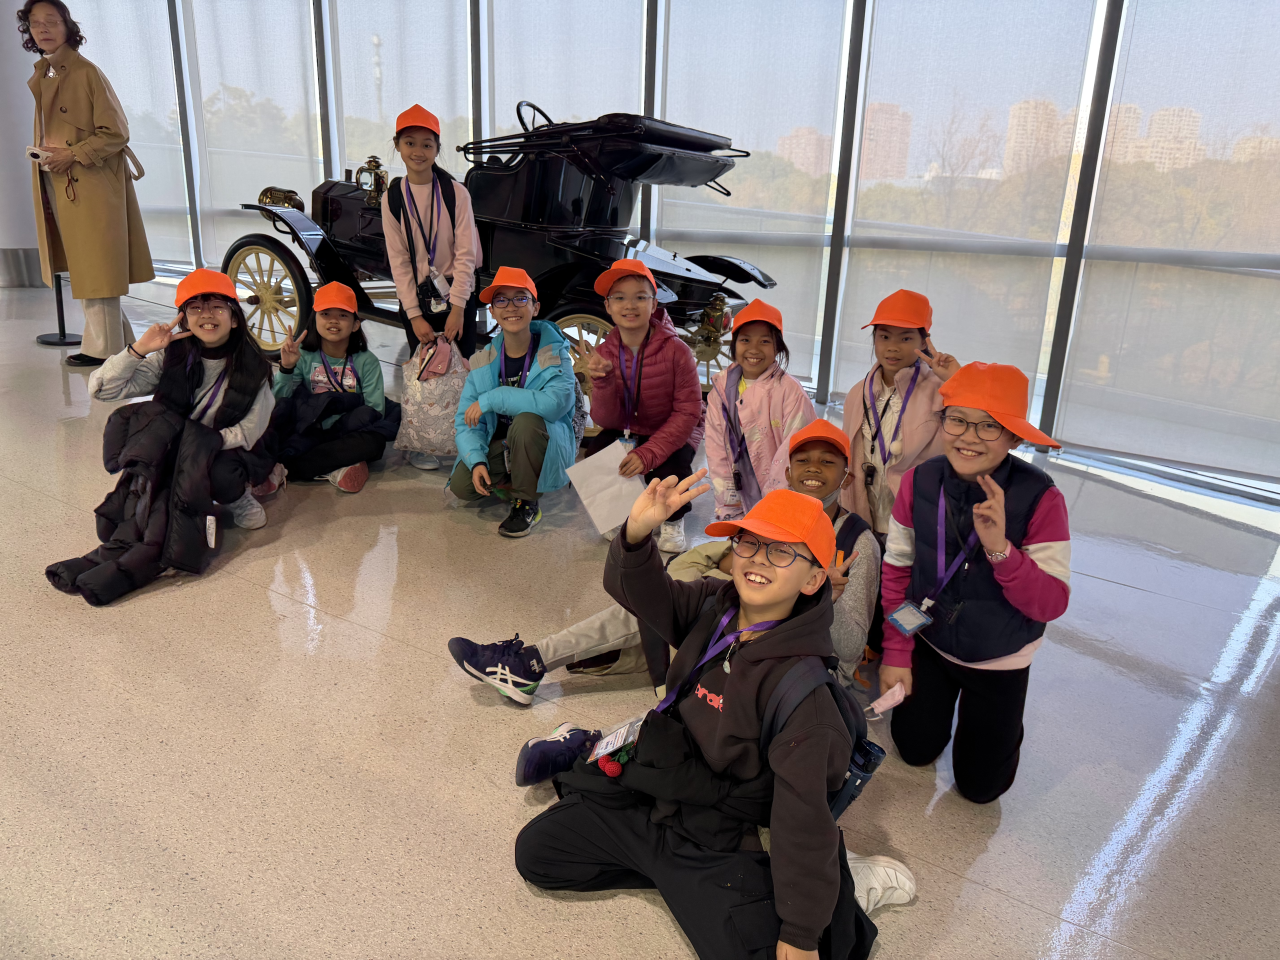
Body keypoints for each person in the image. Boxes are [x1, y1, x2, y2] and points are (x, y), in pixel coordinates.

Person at [512, 481, 889, 960]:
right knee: (540, 855)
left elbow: (802, 821)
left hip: (721, 835)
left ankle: (850, 884)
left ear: (814, 580)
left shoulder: (805, 699)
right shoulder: (716, 606)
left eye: (780, 552)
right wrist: (636, 536)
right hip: (661, 792)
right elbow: (644, 595)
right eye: (749, 542)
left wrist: (800, 931)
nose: (757, 559)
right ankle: (674, 878)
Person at [448, 418, 882, 703]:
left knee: (662, 612)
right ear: (787, 472)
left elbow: (847, 650)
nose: (813, 469)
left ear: (846, 477)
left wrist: (826, 598)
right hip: (739, 637)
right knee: (665, 603)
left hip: (796, 673)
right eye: (803, 460)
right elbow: (725, 568)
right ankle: (536, 660)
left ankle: (537, 661)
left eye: (827, 462)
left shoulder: (857, 542)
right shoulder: (772, 519)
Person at [878, 361, 1070, 804]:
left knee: (981, 788)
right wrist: (897, 651)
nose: (969, 436)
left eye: (989, 426)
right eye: (958, 420)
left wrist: (1001, 549)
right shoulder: (919, 481)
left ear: (1014, 437)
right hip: (930, 640)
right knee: (913, 749)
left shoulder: (1041, 498)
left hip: (1000, 656)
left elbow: (1051, 603)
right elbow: (897, 569)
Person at [87, 268, 275, 526]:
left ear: (234, 319)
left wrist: (197, 444)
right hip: (175, 440)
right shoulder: (171, 356)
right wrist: (138, 350)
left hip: (224, 447)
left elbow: (248, 431)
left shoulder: (255, 368)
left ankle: (239, 497)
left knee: (221, 475)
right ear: (184, 321)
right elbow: (102, 389)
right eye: (195, 308)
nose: (207, 314)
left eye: (217, 307)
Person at [22, 0, 154, 367]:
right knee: (90, 267)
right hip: (66, 181)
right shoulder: (48, 72)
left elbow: (116, 132)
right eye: (35, 23)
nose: (42, 29)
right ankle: (122, 343)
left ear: (68, 26)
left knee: (97, 268)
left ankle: (102, 350)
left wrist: (72, 154)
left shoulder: (85, 72)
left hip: (90, 182)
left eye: (51, 21)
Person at [580, 258, 704, 553]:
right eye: (619, 298)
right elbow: (604, 420)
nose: (630, 305)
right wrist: (603, 382)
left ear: (654, 304)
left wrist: (648, 453)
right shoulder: (605, 352)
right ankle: (618, 512)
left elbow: (688, 412)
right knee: (597, 454)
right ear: (608, 306)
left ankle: (673, 519)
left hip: (672, 429)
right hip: (628, 428)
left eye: (640, 297)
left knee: (671, 465)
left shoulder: (677, 351)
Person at [381, 103, 481, 470]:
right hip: (419, 298)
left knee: (461, 371)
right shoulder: (393, 198)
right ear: (397, 145)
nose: (418, 151)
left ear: (437, 148)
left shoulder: (455, 193)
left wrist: (458, 307)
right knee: (423, 371)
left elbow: (467, 254)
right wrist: (413, 315)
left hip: (458, 293)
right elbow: (399, 261)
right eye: (410, 143)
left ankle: (462, 440)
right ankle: (424, 441)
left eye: (427, 144)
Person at [449, 266, 576, 538]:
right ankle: (515, 473)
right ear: (492, 311)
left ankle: (526, 502)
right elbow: (466, 421)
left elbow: (556, 404)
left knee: (527, 421)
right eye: (501, 300)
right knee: (462, 487)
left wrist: (494, 398)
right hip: (505, 443)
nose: (511, 307)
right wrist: (477, 460)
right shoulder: (483, 361)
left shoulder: (555, 353)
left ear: (535, 307)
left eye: (520, 298)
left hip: (542, 438)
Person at [840, 289, 960, 538]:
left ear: (923, 342)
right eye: (884, 337)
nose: (893, 347)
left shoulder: (941, 391)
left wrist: (956, 381)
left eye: (905, 338)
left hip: (915, 518)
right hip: (865, 511)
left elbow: (976, 423)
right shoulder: (858, 393)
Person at [272, 281, 395, 494]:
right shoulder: (303, 355)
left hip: (348, 429)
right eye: (325, 314)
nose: (333, 321)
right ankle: (340, 466)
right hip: (311, 427)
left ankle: (294, 468)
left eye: (343, 315)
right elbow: (279, 402)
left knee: (374, 443)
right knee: (278, 431)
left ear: (355, 325)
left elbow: (376, 410)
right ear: (315, 319)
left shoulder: (367, 361)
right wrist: (287, 367)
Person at [705, 299, 815, 521]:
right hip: (740, 490)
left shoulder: (790, 392)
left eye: (764, 341)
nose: (754, 349)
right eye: (745, 340)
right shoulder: (720, 390)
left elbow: (793, 454)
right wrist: (728, 505)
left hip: (780, 501)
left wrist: (772, 508)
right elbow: (716, 450)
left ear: (778, 347)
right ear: (734, 344)